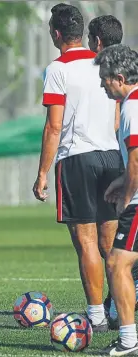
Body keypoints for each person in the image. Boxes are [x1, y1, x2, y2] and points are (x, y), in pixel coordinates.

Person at [32, 4, 122, 332]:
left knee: (85, 240)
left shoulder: (58, 69)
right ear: (81, 32)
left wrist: (42, 173)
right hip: (112, 158)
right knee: (110, 242)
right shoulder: (106, 62)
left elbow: (54, 127)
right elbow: (116, 115)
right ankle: (118, 310)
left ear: (56, 34)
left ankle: (96, 316)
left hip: (76, 159)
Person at [95, 44, 138, 355]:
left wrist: (126, 194)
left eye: (104, 78)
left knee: (116, 263)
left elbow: (137, 160)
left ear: (120, 78)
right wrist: (121, 180)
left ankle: (127, 340)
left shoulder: (132, 108)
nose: (101, 84)